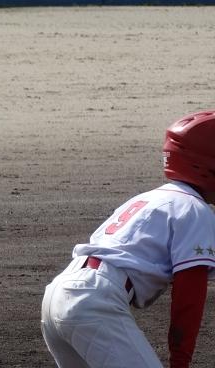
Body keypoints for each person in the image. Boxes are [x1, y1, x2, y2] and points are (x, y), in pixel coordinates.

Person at [41, 110, 215, 368]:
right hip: (93, 301)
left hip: (58, 296)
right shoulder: (195, 211)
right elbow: (189, 295)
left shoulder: (151, 199)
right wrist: (180, 361)